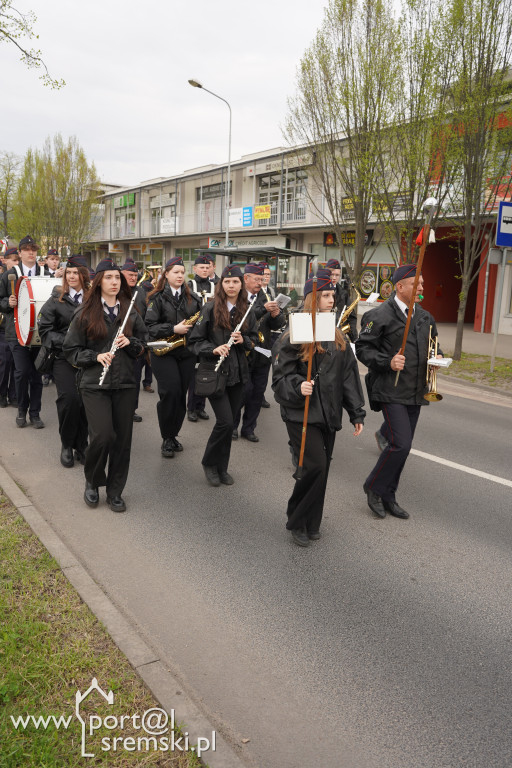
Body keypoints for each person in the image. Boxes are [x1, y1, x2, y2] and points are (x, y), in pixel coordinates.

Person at [272, 273, 365, 547]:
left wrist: (356, 412)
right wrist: (298, 386)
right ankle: (296, 518)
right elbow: (279, 379)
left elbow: (348, 376)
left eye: (333, 295)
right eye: (326, 295)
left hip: (328, 413)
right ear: (313, 298)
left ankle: (313, 521)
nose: (332, 299)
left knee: (322, 471)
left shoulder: (336, 334)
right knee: (315, 466)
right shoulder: (295, 331)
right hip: (300, 412)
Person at [355, 264, 443, 520]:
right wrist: (388, 361)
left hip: (416, 390)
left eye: (423, 284)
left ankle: (389, 495)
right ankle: (373, 486)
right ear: (400, 286)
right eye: (417, 284)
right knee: (400, 444)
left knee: (403, 447)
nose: (422, 288)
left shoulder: (426, 317)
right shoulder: (379, 315)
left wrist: (438, 357)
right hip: (389, 389)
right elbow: (363, 349)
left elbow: (435, 346)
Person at [62, 258, 148, 513]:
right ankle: (93, 480)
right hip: (94, 384)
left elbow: (143, 345)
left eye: (117, 278)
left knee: (122, 440)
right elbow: (71, 351)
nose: (114, 282)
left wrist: (130, 344)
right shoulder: (85, 313)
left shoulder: (130, 311)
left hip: (124, 383)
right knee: (102, 435)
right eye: (109, 277)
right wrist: (95, 356)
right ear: (99, 281)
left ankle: (115, 491)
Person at [188, 264, 258, 487]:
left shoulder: (248, 309)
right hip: (216, 372)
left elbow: (255, 340)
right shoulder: (209, 308)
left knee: (230, 425)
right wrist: (213, 349)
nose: (231, 285)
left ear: (241, 284)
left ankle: (222, 467)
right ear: (221, 284)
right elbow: (194, 341)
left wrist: (244, 341)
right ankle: (209, 462)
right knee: (226, 422)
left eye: (235, 282)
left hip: (238, 374)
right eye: (227, 282)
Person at [145, 256, 202, 458]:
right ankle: (166, 438)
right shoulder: (156, 298)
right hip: (164, 351)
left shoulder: (194, 299)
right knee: (170, 392)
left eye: (182, 272)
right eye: (175, 272)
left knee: (180, 395)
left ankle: (173, 434)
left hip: (186, 352)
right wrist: (173, 328)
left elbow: (200, 326)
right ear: (166, 274)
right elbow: (150, 327)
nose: (180, 275)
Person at [37, 255, 91, 468]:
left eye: (76, 273)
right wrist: (69, 342)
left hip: (87, 359)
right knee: (69, 400)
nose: (71, 276)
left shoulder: (93, 298)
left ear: (83, 275)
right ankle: (67, 444)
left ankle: (82, 444)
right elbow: (45, 331)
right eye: (68, 273)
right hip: (63, 358)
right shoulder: (55, 299)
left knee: (86, 402)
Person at [0, 235, 49, 428]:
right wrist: (7, 303)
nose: (31, 252)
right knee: (21, 373)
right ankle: (22, 410)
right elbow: (0, 299)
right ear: (19, 253)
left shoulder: (46, 274)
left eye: (34, 249)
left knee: (36, 375)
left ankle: (35, 414)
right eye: (27, 249)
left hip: (39, 333)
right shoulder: (10, 274)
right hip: (16, 333)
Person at [232, 263, 285, 442]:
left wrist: (277, 314)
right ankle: (232, 426)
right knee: (242, 392)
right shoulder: (238, 297)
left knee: (256, 394)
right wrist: (264, 309)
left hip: (262, 352)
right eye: (256, 279)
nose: (260, 283)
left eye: (262, 279)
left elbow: (276, 325)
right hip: (243, 350)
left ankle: (249, 428)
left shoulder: (266, 295)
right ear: (245, 279)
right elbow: (244, 316)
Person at [121, 259, 153, 421]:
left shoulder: (141, 292)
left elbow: (146, 315)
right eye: (130, 275)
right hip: (120, 340)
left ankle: (131, 410)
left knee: (134, 379)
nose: (133, 278)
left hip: (136, 342)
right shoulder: (116, 289)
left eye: (135, 275)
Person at [186, 255, 215, 422]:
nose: (204, 270)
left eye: (207, 267)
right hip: (194, 335)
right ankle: (191, 408)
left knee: (206, 370)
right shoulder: (189, 286)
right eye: (201, 267)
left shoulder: (215, 286)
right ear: (195, 269)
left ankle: (201, 407)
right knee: (193, 373)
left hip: (209, 335)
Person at [0, 247, 18, 408]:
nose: (15, 263)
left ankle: (13, 395)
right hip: (3, 328)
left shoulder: (19, 278)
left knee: (15, 364)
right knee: (4, 363)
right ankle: (1, 393)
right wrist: (7, 303)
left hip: (16, 327)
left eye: (17, 260)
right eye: (12, 259)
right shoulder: (3, 279)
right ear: (5, 261)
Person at [325, 258, 358, 341]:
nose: (334, 278)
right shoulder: (318, 291)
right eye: (331, 274)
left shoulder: (344, 293)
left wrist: (355, 339)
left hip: (339, 337)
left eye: (337, 275)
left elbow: (351, 317)